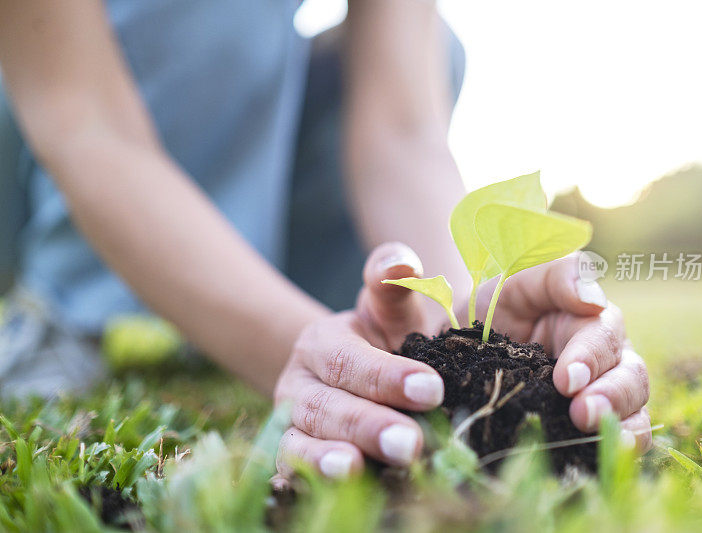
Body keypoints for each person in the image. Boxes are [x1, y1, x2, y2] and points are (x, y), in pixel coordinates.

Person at [0, 0, 651, 479]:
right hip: (40, 134)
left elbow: (402, 135)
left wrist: (469, 325)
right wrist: (307, 355)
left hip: (228, 145)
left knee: (433, 48)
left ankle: (216, 299)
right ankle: (59, 293)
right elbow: (85, 126)